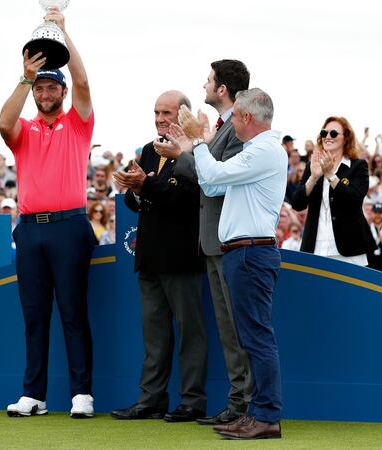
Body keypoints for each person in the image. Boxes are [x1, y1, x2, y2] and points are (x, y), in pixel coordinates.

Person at [164, 87, 286, 440]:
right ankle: (257, 414)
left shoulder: (264, 151)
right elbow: (213, 186)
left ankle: (265, 417)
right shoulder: (256, 151)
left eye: (235, 117)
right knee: (251, 338)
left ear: (247, 117)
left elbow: (213, 177)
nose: (231, 123)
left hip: (251, 252)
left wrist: (199, 144)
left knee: (256, 338)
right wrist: (195, 148)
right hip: (244, 252)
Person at [0, 6, 96, 418]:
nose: (44, 93)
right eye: (39, 89)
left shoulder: (78, 123)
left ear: (60, 92)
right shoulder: (25, 129)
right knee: (34, 315)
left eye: (50, 88)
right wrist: (24, 75)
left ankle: (81, 395)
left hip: (70, 226)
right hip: (31, 230)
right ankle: (33, 394)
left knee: (73, 311)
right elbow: (4, 121)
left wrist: (62, 31)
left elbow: (83, 80)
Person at [157, 59, 253, 426]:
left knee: (236, 327)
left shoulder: (236, 130)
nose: (204, 86)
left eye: (209, 81)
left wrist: (184, 152)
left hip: (227, 239)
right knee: (228, 329)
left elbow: (212, 180)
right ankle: (236, 403)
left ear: (223, 89)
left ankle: (244, 405)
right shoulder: (222, 129)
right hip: (214, 240)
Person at [110, 90, 208, 423]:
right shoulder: (150, 151)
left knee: (190, 333)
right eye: (156, 112)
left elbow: (185, 196)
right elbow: (140, 196)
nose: (160, 119)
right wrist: (133, 189)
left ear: (183, 116)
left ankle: (192, 401)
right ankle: (151, 400)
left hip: (181, 257)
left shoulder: (195, 153)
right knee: (154, 336)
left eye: (166, 112)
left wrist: (144, 186)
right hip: (149, 255)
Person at [291, 117, 376, 265]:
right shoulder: (313, 165)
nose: (328, 137)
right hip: (315, 249)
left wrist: (331, 175)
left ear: (346, 138)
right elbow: (297, 203)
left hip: (349, 250)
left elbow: (353, 200)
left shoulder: (358, 166)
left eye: (334, 133)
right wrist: (313, 177)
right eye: (324, 133)